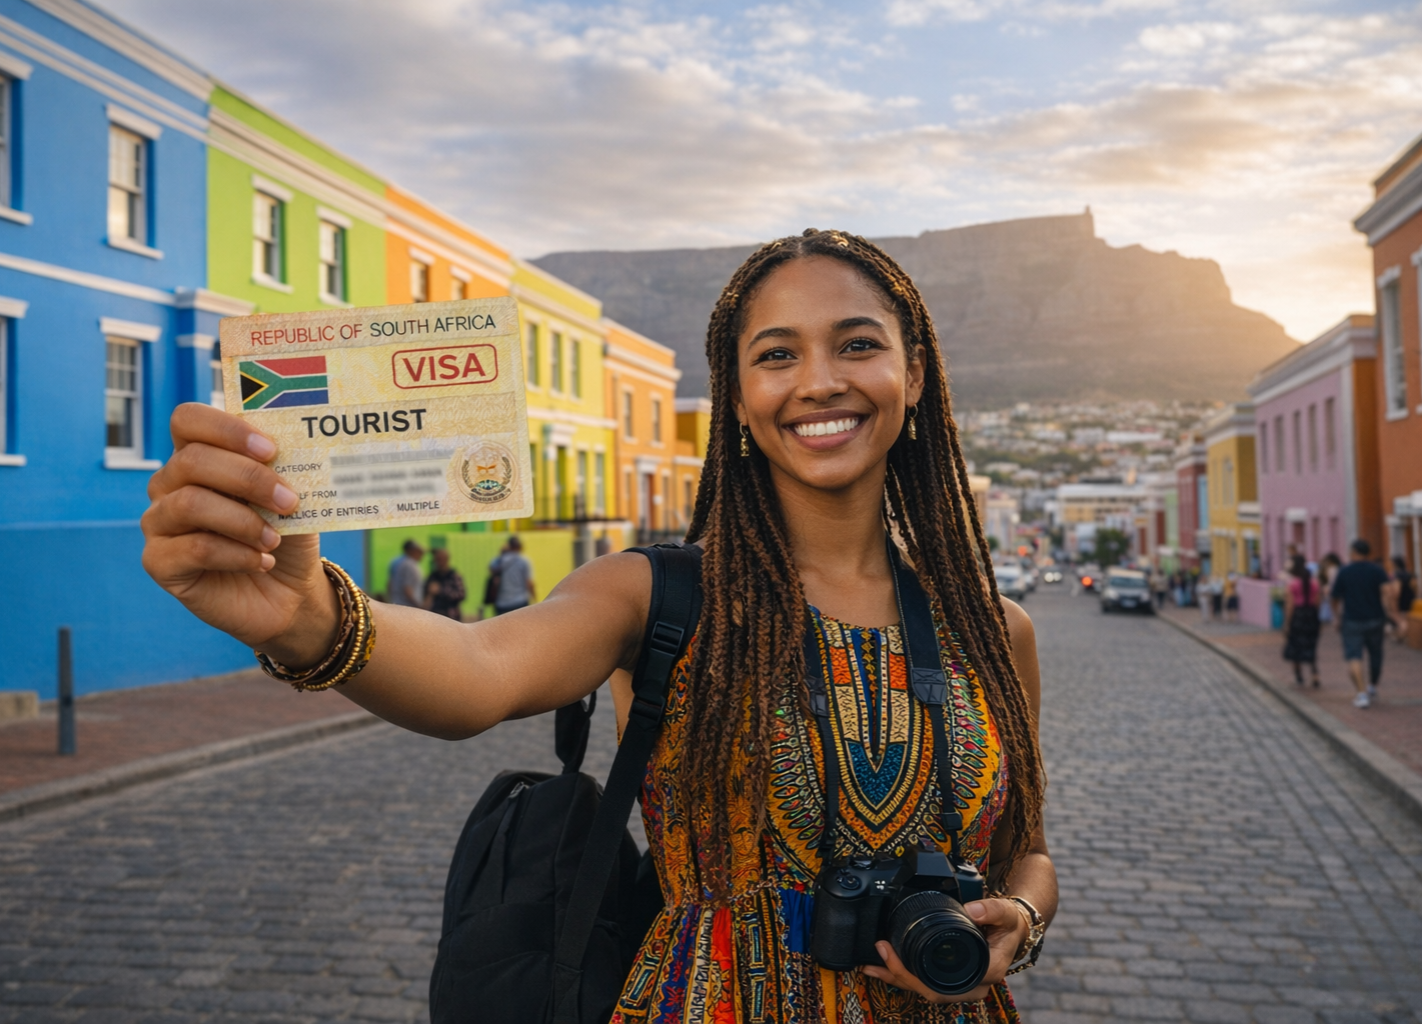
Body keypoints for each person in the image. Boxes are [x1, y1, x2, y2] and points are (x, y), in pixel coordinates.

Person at [139, 229, 1056, 1021]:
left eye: (856, 345)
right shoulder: (655, 597)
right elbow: (476, 668)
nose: (818, 381)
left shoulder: (993, 630)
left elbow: (1028, 854)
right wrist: (311, 621)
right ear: (737, 399)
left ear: (916, 373)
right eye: (776, 355)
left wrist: (1017, 919)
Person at [1329, 539, 1397, 708]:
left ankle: (1361, 694)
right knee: (1376, 653)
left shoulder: (1345, 571)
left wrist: (1336, 616)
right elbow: (1388, 593)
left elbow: (1334, 597)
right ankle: (1372, 686)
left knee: (1354, 656)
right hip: (1375, 619)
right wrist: (1392, 615)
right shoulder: (1377, 570)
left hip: (1352, 620)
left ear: (1353, 552)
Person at [1282, 556, 1322, 688]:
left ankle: (1299, 675)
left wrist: (1287, 623)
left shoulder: (1292, 584)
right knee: (1311, 645)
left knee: (1295, 646)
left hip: (1298, 616)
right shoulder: (1314, 583)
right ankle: (1315, 674)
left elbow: (1289, 606)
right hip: (1311, 615)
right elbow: (1317, 603)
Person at [487, 535, 536, 615]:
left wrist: (501, 553)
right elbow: (529, 583)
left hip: (502, 603)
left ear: (509, 546)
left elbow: (491, 569)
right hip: (520, 602)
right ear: (520, 547)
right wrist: (534, 599)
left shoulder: (500, 560)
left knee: (502, 627)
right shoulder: (524, 561)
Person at [424, 548, 467, 621]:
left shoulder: (454, 576)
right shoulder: (432, 577)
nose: (438, 562)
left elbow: (461, 594)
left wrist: (441, 590)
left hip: (451, 616)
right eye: (437, 559)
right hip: (435, 616)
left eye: (440, 559)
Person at [386, 539, 425, 608]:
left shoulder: (397, 562)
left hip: (397, 603)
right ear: (412, 550)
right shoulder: (410, 565)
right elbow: (407, 589)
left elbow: (390, 583)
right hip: (408, 606)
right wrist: (420, 606)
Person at [1392, 556, 1416, 641]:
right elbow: (1414, 586)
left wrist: (1394, 600)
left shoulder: (1397, 575)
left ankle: (1402, 636)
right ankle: (1408, 635)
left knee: (1402, 618)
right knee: (1407, 616)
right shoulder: (1409, 573)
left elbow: (1397, 590)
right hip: (1410, 597)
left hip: (1402, 598)